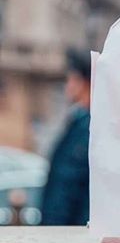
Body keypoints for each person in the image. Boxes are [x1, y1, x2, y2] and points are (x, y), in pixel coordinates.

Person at [40, 48, 91, 226]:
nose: (67, 86)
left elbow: (71, 185)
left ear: (84, 82)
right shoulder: (78, 120)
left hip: (70, 229)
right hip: (60, 227)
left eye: (70, 79)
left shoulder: (91, 127)